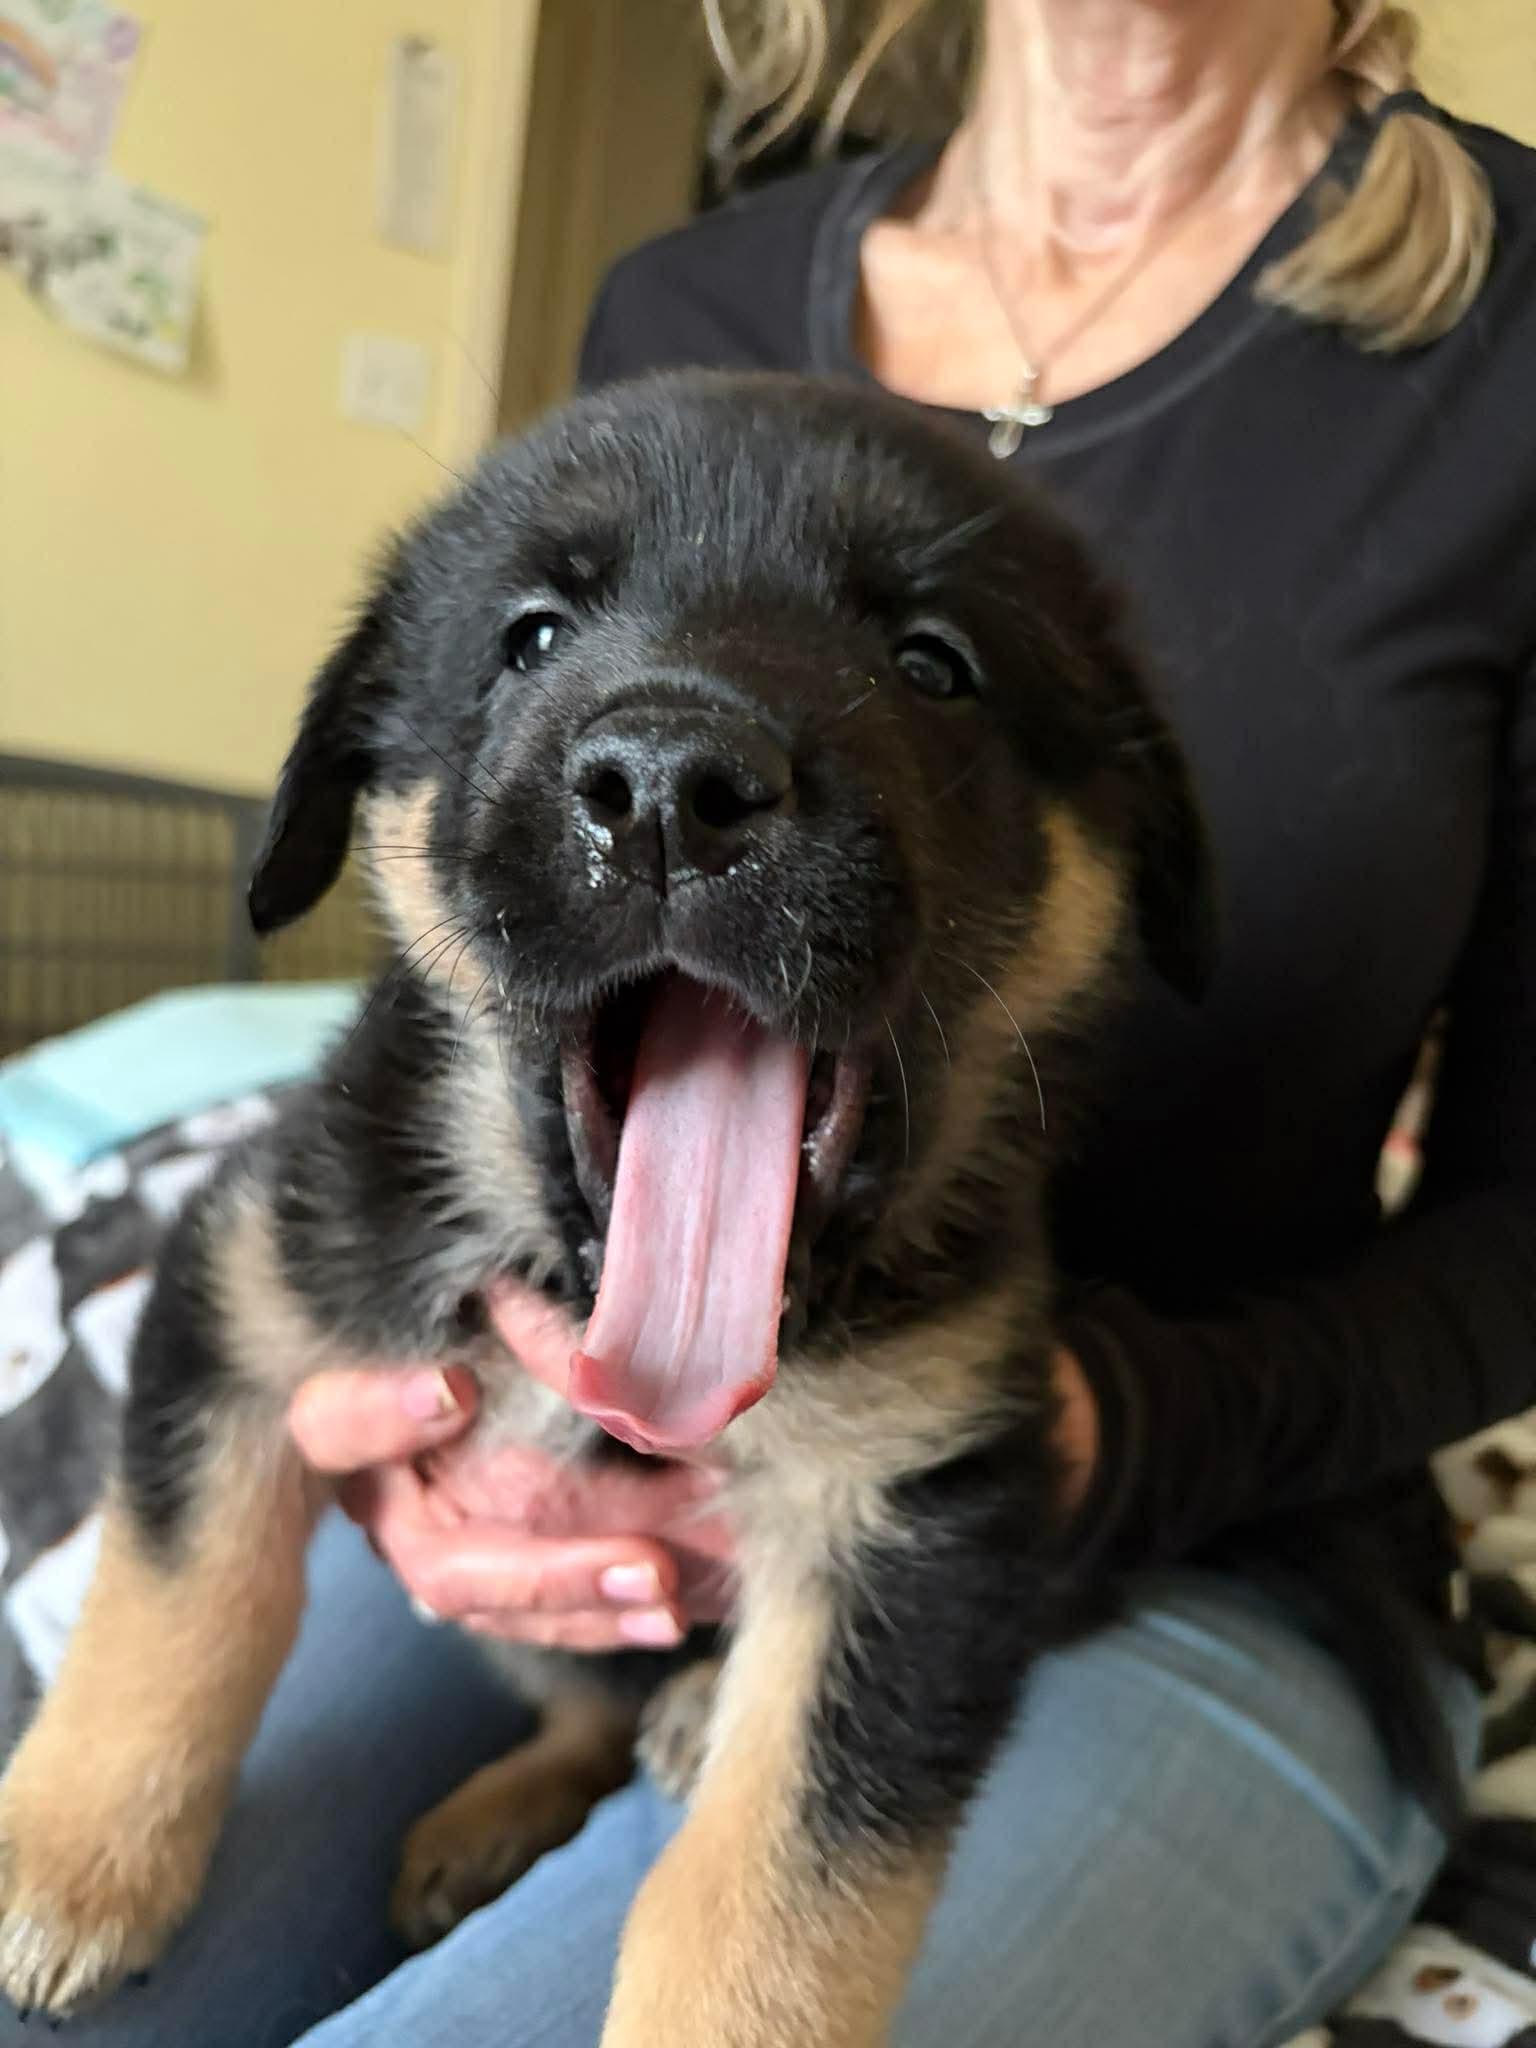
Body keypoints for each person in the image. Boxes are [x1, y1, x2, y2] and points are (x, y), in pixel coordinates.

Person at [20, 1, 1536, 2042]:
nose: (675, 763)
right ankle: (576, 1753)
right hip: (560, 1530)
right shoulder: (688, 288)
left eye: (927, 657)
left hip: (1222, 1556)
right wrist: (398, 1479)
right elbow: (250, 1320)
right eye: (556, 641)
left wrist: (1117, 1428)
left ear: (1141, 842)